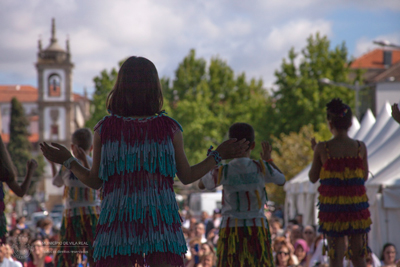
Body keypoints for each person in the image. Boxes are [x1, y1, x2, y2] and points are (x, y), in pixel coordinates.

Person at [40, 56, 249, 267]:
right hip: (161, 223)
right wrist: (217, 155)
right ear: (154, 87)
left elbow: (95, 181)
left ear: (121, 87)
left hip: (117, 223)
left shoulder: (105, 128)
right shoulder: (169, 128)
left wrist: (68, 160)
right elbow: (186, 176)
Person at [199, 122, 286, 267]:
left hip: (231, 229)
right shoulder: (261, 167)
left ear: (230, 143)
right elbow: (282, 180)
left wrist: (214, 162)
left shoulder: (224, 170)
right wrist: (268, 160)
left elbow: (201, 184)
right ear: (253, 146)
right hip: (257, 229)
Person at [309, 98, 372, 267]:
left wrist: (316, 154)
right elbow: (364, 176)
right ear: (350, 123)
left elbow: (313, 177)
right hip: (356, 208)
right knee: (358, 256)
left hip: (333, 209)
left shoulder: (323, 148)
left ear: (330, 123)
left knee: (335, 257)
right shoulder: (360, 147)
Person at [49, 128, 100, 267]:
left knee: (67, 256)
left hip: (72, 216)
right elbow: (98, 182)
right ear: (92, 147)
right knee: (96, 255)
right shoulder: (96, 164)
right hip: (93, 216)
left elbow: (56, 183)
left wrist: (53, 165)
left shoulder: (66, 167)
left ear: (72, 147)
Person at [0, 135, 38, 244]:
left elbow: (21, 192)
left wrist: (30, 172)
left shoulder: (3, 172)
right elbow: (21, 192)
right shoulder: (4, 171)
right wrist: (30, 171)